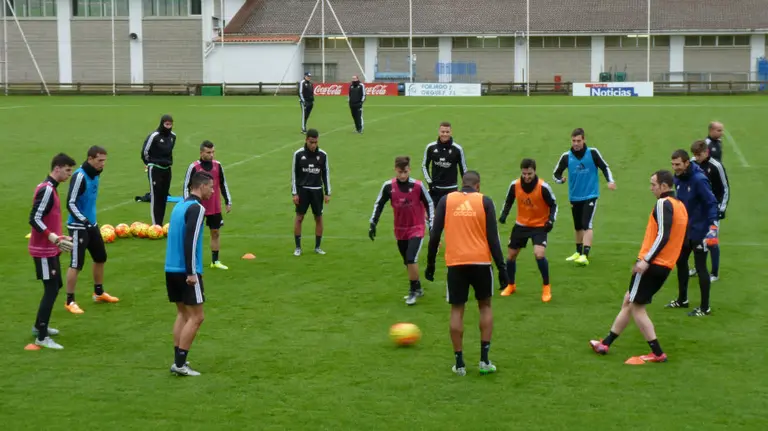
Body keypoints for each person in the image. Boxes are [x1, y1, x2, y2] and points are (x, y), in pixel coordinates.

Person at [588, 170, 688, 363]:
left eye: (653, 185)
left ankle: (657, 352)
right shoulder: (680, 206)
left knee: (636, 307)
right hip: (666, 265)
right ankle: (606, 343)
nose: (651, 188)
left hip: (653, 263)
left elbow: (663, 235)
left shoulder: (663, 203)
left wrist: (646, 261)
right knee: (629, 299)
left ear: (664, 186)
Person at [425, 171, 508, 376]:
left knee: (457, 310)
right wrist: (502, 269)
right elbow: (493, 239)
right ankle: (484, 360)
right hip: (481, 262)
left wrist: (430, 264)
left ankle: (460, 364)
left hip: (456, 263)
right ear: (478, 186)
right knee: (485, 306)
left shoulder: (447, 200)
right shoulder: (485, 202)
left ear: (462, 184)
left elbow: (435, 234)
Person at [165, 171, 214, 376]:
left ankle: (178, 360)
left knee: (183, 314)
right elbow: (191, 241)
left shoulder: (179, 206)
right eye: (211, 187)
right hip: (187, 272)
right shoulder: (197, 208)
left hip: (171, 268)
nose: (212, 191)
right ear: (201, 186)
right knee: (197, 317)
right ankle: (180, 364)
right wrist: (192, 272)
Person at [369, 156, 435, 305]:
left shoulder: (418, 186)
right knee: (407, 261)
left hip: (416, 228)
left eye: (405, 172)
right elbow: (379, 204)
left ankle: (412, 291)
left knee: (411, 258)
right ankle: (417, 286)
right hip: (400, 230)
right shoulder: (388, 186)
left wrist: (431, 224)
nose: (403, 175)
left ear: (409, 170)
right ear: (395, 170)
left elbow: (429, 203)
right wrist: (373, 223)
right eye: (400, 172)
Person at [28, 153, 77, 349]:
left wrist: (59, 236)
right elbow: (34, 218)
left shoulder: (51, 189)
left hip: (50, 247)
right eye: (67, 171)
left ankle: (39, 325)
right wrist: (52, 237)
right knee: (50, 289)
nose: (68, 175)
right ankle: (41, 336)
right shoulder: (47, 190)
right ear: (57, 168)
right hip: (43, 250)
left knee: (55, 286)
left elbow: (46, 218)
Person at [64, 146, 119, 314]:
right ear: (90, 159)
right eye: (99, 160)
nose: (103, 164)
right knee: (76, 264)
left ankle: (98, 292)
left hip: (92, 224)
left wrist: (90, 222)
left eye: (104, 160)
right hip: (78, 226)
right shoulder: (79, 176)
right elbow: (70, 203)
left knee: (100, 257)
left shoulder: (95, 174)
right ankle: (70, 301)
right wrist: (84, 221)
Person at [552, 127, 616, 266]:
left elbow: (604, 167)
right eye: (574, 141)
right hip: (575, 196)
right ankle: (578, 252)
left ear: (584, 140)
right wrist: (560, 180)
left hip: (590, 195)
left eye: (578, 141)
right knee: (577, 226)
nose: (576, 143)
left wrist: (610, 181)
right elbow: (555, 174)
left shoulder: (592, 153)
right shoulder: (566, 156)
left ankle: (585, 255)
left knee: (587, 224)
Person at [666, 149, 718, 317]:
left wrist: (712, 227)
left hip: (700, 230)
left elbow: (711, 202)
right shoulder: (678, 178)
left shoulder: (699, 180)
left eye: (678, 164)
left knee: (701, 267)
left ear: (687, 163)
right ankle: (682, 299)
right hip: (684, 230)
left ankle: (705, 307)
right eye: (673, 164)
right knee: (680, 261)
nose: (675, 168)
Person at [498, 158, 557, 302]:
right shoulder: (515, 185)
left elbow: (554, 205)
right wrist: (504, 215)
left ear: (534, 171)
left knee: (539, 254)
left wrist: (550, 220)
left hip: (539, 226)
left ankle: (546, 287)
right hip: (521, 225)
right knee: (511, 255)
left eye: (529, 174)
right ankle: (511, 285)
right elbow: (509, 200)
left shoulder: (543, 187)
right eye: (524, 174)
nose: (527, 177)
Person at [182, 140, 233, 270]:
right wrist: (187, 204)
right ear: (201, 153)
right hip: (197, 206)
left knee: (215, 232)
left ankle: (215, 261)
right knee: (194, 234)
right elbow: (186, 186)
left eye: (213, 152)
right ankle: (191, 261)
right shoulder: (194, 167)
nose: (211, 155)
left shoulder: (217, 165)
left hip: (214, 205)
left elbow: (223, 183)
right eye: (208, 152)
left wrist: (228, 201)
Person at [690, 140, 729, 282]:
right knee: (695, 239)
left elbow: (725, 188)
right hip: (696, 210)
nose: (696, 158)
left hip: (712, 210)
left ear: (706, 152)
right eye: (694, 155)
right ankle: (698, 267)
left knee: (711, 241)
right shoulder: (692, 163)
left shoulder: (716, 166)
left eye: (699, 155)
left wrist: (722, 208)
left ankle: (714, 273)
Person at [291, 128, 331, 256]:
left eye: (315, 142)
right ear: (306, 140)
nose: (313, 145)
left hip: (317, 191)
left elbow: (326, 174)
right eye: (311, 142)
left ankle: (317, 247)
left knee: (318, 217)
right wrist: (294, 193)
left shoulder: (323, 155)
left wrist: (327, 192)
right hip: (302, 191)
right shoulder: (298, 154)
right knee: (299, 217)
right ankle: (298, 247)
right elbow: (294, 175)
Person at [140, 114, 176, 225]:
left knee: (164, 196)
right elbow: (145, 152)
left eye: (170, 124)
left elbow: (170, 151)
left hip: (167, 169)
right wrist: (150, 163)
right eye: (166, 124)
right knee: (156, 196)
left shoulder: (173, 136)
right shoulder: (154, 136)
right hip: (155, 169)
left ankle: (160, 221)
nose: (168, 127)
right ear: (162, 124)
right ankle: (156, 224)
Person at [421, 121, 468, 206]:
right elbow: (424, 166)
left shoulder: (457, 149)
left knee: (451, 216)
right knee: (435, 216)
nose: (445, 134)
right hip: (435, 190)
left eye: (447, 132)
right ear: (439, 132)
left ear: (451, 132)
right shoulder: (431, 147)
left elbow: (463, 170)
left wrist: (466, 186)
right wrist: (430, 183)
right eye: (443, 132)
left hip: (452, 189)